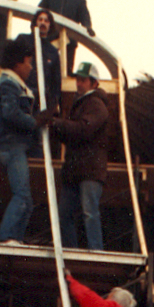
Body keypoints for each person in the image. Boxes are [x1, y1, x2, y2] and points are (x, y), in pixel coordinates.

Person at [0, 37, 56, 244]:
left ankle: (15, 239)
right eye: (28, 63)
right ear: (17, 63)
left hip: (19, 147)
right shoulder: (8, 85)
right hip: (12, 147)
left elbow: (27, 98)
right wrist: (35, 121)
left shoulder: (16, 85)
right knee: (21, 195)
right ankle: (5, 237)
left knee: (27, 201)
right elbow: (10, 113)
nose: (30, 68)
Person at [53, 61, 110, 252]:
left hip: (89, 170)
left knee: (88, 213)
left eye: (83, 80)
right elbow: (73, 133)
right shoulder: (82, 104)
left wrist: (57, 123)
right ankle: (72, 251)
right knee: (66, 214)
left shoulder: (96, 104)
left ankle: (96, 252)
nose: (78, 83)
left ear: (94, 83)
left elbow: (83, 130)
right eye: (78, 79)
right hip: (78, 170)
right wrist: (56, 125)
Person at [39, 0, 94, 74]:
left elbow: (84, 16)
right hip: (50, 38)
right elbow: (40, 11)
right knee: (46, 69)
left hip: (69, 41)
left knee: (66, 72)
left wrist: (88, 27)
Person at [27, 9, 63, 111]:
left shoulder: (53, 51)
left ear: (50, 26)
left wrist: (54, 104)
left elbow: (56, 82)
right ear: (35, 22)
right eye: (40, 19)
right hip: (23, 94)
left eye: (46, 21)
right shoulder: (23, 40)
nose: (43, 22)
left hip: (41, 100)